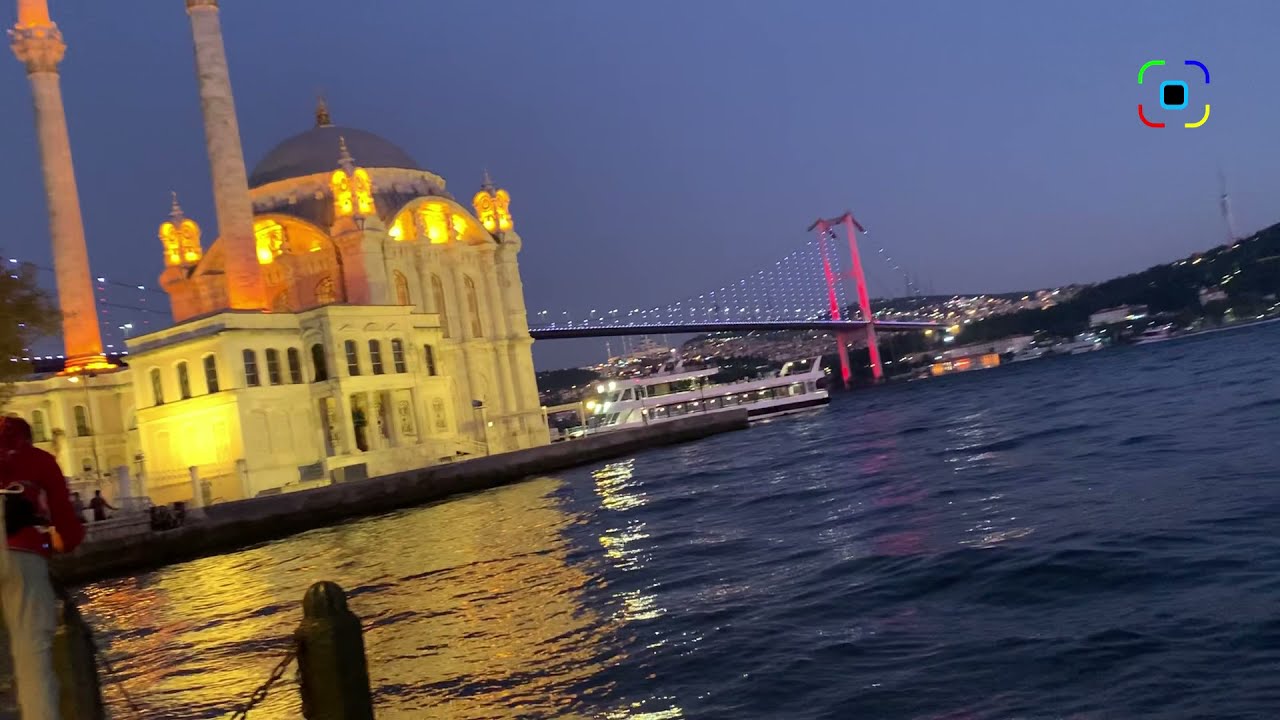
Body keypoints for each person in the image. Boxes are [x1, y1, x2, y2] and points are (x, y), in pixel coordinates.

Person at [0, 415, 85, 718]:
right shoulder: (41, 461)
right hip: (23, 557)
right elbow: (69, 532)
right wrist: (50, 545)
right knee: (33, 661)